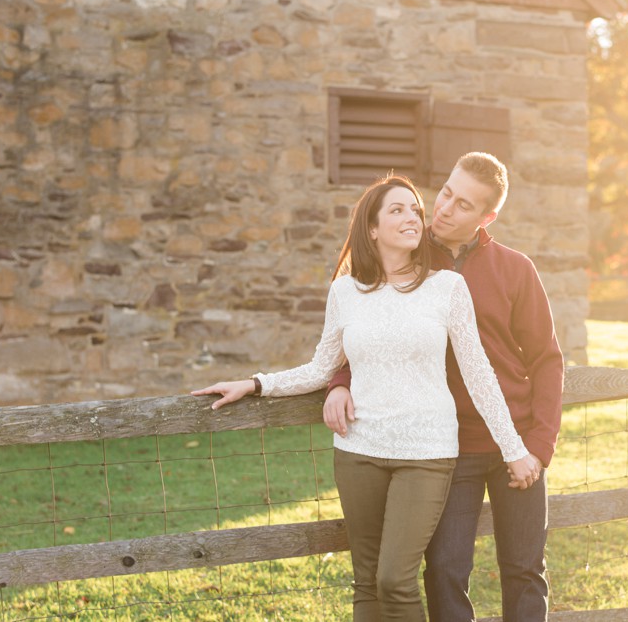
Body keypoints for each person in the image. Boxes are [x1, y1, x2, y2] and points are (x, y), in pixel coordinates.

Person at [190, 174, 539, 622]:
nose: (414, 216)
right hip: (358, 452)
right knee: (367, 582)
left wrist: (515, 450)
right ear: (372, 228)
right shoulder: (345, 292)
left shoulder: (447, 288)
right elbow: (321, 367)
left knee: (395, 579)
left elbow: (480, 376)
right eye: (398, 210)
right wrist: (256, 384)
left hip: (426, 454)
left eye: (415, 208)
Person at [324, 153, 564, 621]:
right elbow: (365, 324)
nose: (444, 208)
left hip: (515, 442)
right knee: (445, 571)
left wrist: (537, 446)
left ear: (487, 217)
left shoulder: (516, 269)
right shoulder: (405, 254)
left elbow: (546, 361)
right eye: (446, 192)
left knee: (525, 570)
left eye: (464, 204)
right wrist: (339, 380)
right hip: (450, 449)